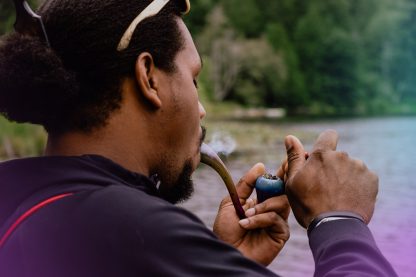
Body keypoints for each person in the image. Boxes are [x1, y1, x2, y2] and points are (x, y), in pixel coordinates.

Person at [0, 0, 397, 276]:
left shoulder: (16, 196)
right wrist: (340, 222)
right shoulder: (135, 231)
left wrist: (214, 259)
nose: (202, 109)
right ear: (149, 77)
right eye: (193, 79)